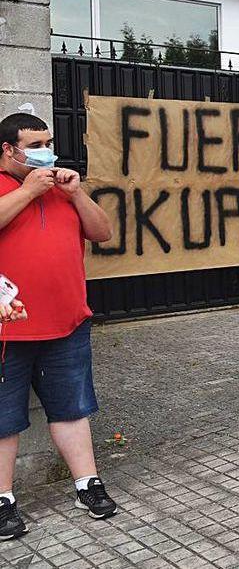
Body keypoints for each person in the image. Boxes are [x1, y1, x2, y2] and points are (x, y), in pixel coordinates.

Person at [0, 112, 119, 540]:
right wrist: (29, 191)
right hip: (8, 331)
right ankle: (3, 500)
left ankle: (87, 484)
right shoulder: (17, 186)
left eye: (47, 142)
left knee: (72, 409)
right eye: (34, 144)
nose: (45, 151)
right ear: (8, 150)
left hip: (67, 323)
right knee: (4, 420)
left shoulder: (60, 188)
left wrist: (77, 194)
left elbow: (103, 232)